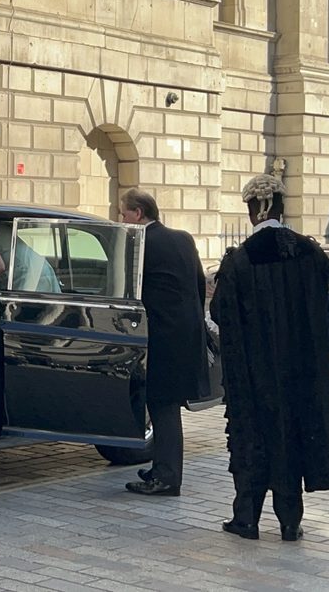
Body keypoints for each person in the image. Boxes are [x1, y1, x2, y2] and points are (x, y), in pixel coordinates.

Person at [209, 174, 329, 542]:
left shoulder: (241, 259)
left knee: (253, 439)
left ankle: (247, 519)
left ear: (254, 211)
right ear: (281, 209)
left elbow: (220, 313)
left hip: (254, 373)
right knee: (292, 438)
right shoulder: (309, 253)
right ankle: (289, 521)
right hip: (301, 370)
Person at [119, 190, 209, 497]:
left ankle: (167, 477)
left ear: (138, 213)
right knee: (166, 406)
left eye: (124, 213)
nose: (122, 219)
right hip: (187, 333)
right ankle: (161, 468)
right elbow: (199, 284)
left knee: (162, 406)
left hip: (160, 336)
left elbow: (128, 288)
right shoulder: (183, 238)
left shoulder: (139, 242)